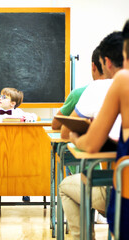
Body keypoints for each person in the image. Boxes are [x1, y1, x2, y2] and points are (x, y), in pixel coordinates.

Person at [59, 30, 124, 240]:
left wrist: (77, 138)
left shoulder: (114, 84)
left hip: (121, 187)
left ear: (105, 62)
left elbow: (89, 144)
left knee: (65, 186)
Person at [60, 31, 123, 140]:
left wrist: (77, 140)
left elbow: (65, 132)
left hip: (106, 155)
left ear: (107, 62)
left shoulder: (97, 88)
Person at [52, 46, 105, 131]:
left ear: (93, 66)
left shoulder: (80, 93)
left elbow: (56, 125)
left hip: (79, 141)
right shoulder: (119, 91)